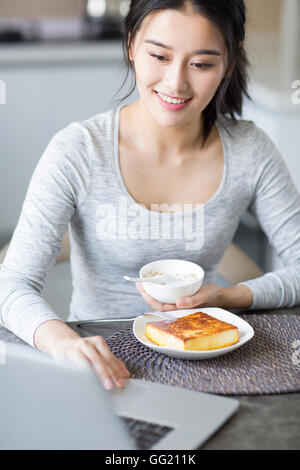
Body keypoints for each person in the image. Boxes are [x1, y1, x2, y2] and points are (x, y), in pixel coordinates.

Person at [0, 0, 299, 391]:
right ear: (131, 45)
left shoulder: (250, 150)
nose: (176, 83)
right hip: (102, 364)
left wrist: (230, 297)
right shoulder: (79, 150)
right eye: (159, 55)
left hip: (209, 363)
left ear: (228, 62)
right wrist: (64, 344)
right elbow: (12, 285)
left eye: (202, 64)